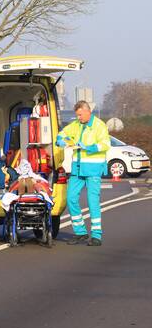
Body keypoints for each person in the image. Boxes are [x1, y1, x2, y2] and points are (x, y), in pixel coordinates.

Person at [56, 100, 110, 246]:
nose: (78, 118)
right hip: (77, 169)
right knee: (71, 198)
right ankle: (80, 233)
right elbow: (62, 134)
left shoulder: (99, 125)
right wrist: (61, 140)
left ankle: (96, 235)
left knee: (93, 202)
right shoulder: (76, 125)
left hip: (93, 170)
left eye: (80, 115)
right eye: (77, 115)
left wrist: (89, 147)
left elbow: (105, 144)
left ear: (88, 111)